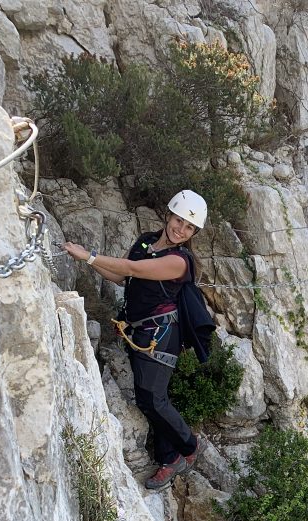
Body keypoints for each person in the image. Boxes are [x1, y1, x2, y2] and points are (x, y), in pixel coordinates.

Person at [64, 190, 206, 490]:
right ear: (169, 214)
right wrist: (87, 260)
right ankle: (170, 457)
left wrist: (88, 254)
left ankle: (189, 447)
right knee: (149, 397)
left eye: (189, 227)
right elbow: (122, 278)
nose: (181, 229)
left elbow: (131, 268)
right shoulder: (145, 241)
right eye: (179, 220)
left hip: (160, 335)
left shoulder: (179, 261)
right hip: (139, 330)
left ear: (194, 233)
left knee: (152, 398)